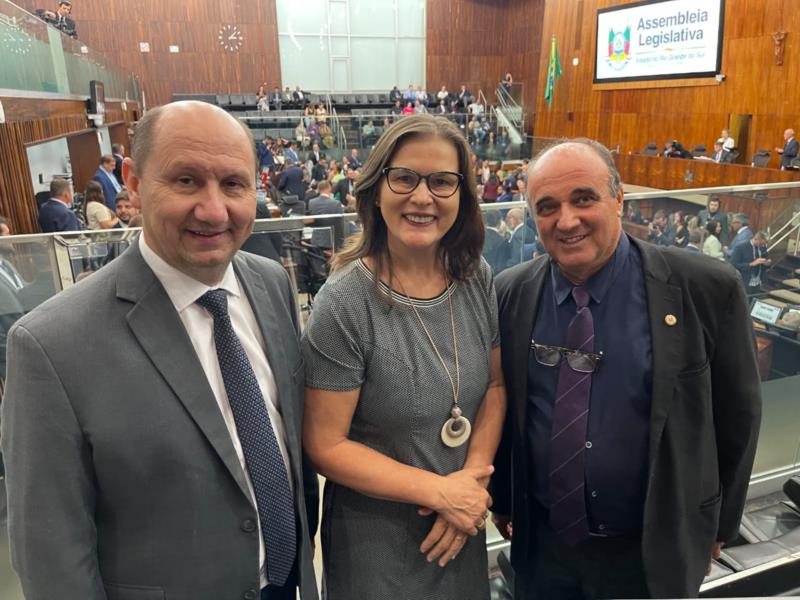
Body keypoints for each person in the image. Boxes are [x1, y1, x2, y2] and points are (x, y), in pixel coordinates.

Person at [2, 101, 319, 600]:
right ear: (132, 179)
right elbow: (51, 555)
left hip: (285, 585)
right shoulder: (49, 345)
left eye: (234, 184)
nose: (214, 210)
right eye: (187, 181)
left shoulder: (271, 283)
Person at [490, 138, 761, 599]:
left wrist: (720, 521)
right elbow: (504, 402)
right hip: (543, 548)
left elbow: (739, 414)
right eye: (547, 206)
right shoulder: (510, 293)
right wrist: (503, 495)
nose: (567, 220)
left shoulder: (706, 288)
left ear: (619, 198)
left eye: (584, 198)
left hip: (653, 551)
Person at [301, 114, 506, 599]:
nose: (422, 197)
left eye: (441, 182)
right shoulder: (344, 302)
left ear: (462, 195)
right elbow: (325, 445)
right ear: (376, 189)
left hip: (461, 527)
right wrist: (440, 493)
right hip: (379, 546)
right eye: (405, 177)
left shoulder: (476, 276)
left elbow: (495, 388)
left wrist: (469, 485)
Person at [730, 231, 771, 295]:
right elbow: (733, 264)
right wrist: (751, 264)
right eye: (761, 244)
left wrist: (767, 263)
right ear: (756, 239)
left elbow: (766, 258)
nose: (763, 246)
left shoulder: (762, 247)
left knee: (753, 300)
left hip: (758, 281)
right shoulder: (741, 247)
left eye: (764, 244)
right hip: (744, 281)